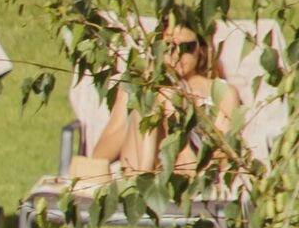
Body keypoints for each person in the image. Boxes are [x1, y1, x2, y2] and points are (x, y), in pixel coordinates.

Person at [75, 21, 242, 185]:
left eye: (187, 48)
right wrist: (143, 101)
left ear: (202, 49)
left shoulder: (223, 93)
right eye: (169, 46)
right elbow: (99, 156)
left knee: (164, 95)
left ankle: (159, 171)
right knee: (155, 96)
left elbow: (224, 160)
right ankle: (145, 179)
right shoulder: (139, 86)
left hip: (193, 179)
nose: (177, 54)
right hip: (141, 171)